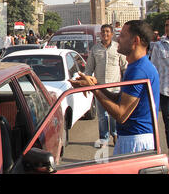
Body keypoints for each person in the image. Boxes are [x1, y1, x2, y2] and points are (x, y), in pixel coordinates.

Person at [70, 20, 160, 155]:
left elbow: (121, 114)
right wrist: (95, 85)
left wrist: (93, 89)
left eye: (123, 36)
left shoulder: (139, 71)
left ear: (135, 41)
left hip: (135, 141)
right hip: (130, 139)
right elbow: (119, 98)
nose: (118, 38)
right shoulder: (135, 67)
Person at [84, 24, 127, 148]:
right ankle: (104, 138)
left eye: (107, 32)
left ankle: (115, 134)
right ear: (100, 34)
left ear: (112, 34)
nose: (105, 34)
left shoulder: (118, 48)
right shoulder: (95, 49)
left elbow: (124, 67)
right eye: (103, 32)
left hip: (115, 88)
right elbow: (89, 69)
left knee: (114, 115)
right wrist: (87, 82)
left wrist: (126, 85)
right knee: (102, 116)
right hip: (100, 89)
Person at [150, 17, 169, 148]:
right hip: (165, 93)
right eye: (167, 25)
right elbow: (154, 69)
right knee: (168, 125)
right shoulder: (159, 45)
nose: (167, 27)